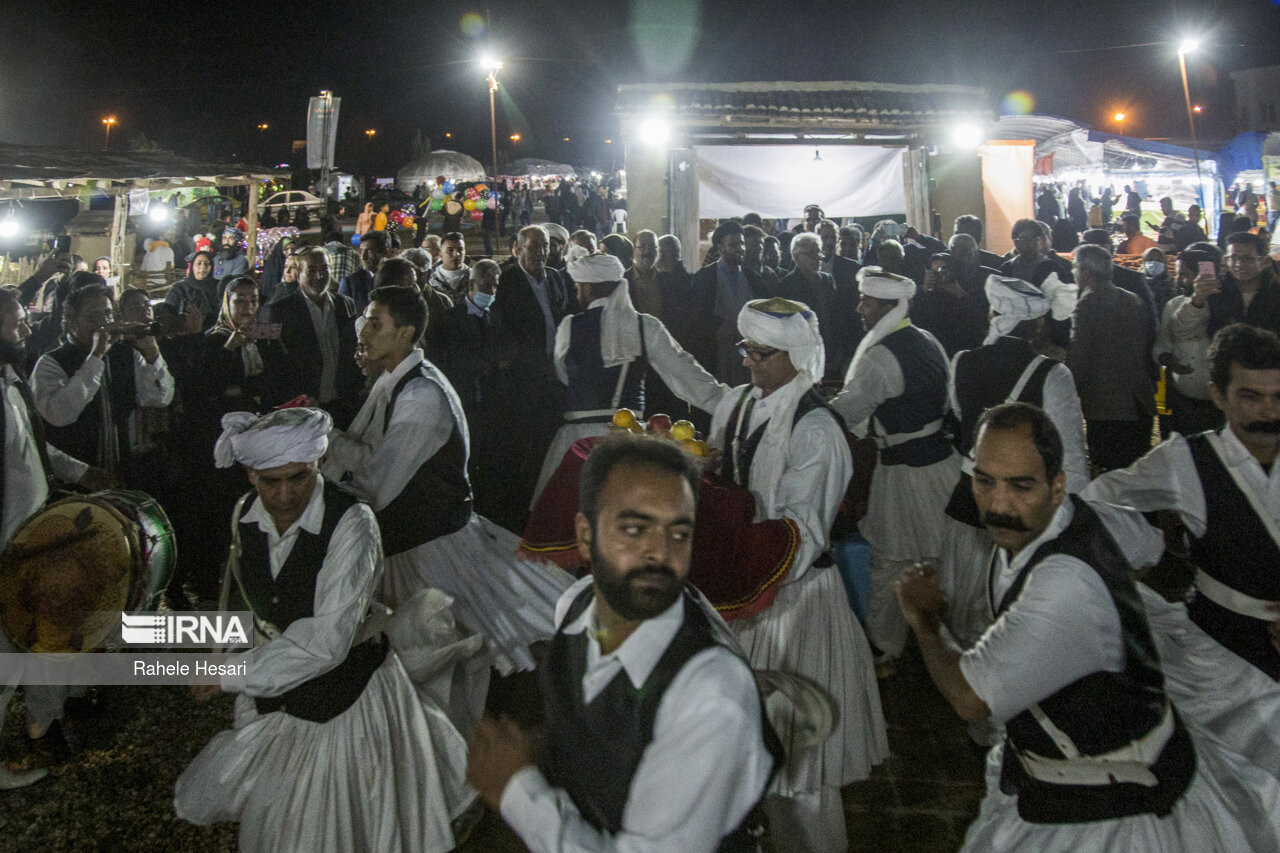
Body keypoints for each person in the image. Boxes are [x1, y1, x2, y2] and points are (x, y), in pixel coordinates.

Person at [898, 401, 1280, 851]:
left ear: (1057, 485)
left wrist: (924, 618)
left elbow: (970, 700)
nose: (999, 504)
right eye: (984, 481)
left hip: (1109, 813)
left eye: (1021, 486)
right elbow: (1147, 544)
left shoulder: (1063, 584)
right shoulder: (1074, 518)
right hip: (1082, 775)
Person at [174, 407, 474, 852]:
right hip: (281, 690)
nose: (283, 494)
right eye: (268, 481)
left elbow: (328, 641)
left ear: (318, 464)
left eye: (298, 477)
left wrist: (231, 676)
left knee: (338, 817)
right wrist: (225, 652)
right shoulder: (245, 514)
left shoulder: (352, 523)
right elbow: (246, 594)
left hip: (346, 696)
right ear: (250, 475)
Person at [467, 433, 779, 852]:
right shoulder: (575, 610)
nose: (659, 554)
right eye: (634, 529)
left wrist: (516, 790)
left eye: (679, 533)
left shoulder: (709, 693)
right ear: (584, 535)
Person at [322, 287, 573, 700]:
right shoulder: (391, 382)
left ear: (405, 334)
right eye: (364, 320)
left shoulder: (423, 395)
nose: (362, 332)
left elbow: (378, 486)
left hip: (428, 551)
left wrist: (324, 446)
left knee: (442, 664)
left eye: (374, 323)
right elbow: (367, 453)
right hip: (405, 543)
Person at [700, 297, 887, 851]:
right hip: (740, 597)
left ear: (798, 357)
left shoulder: (817, 432)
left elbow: (800, 537)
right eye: (746, 349)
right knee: (745, 763)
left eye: (763, 353)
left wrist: (724, 550)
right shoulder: (736, 404)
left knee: (802, 767)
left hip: (795, 605)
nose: (749, 363)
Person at [1085, 323, 1280, 679]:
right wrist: (1145, 547)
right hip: (1222, 645)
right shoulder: (1185, 461)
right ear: (1218, 396)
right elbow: (1099, 501)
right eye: (1250, 397)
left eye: (1278, 396)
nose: (1269, 412)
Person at [939, 275, 1087, 655]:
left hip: (968, 504)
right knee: (1015, 617)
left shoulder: (962, 362)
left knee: (965, 609)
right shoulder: (1053, 374)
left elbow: (960, 416)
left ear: (994, 314)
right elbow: (1070, 458)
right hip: (1024, 515)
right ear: (1037, 323)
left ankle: (970, 692)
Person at [0, 290, 111, 789]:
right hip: (8, 546)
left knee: (48, 639)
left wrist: (80, 472)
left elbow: (33, 449)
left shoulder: (10, 381)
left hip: (34, 534)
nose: (26, 330)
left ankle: (42, 727)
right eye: (17, 323)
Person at [829, 268, 960, 673]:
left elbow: (846, 411)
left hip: (908, 476)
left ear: (886, 306)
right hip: (942, 465)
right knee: (950, 558)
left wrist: (809, 406)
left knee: (889, 562)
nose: (860, 308)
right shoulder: (927, 340)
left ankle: (887, 645)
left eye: (866, 301)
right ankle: (956, 641)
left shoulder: (880, 358)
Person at [532, 248, 724, 504]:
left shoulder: (569, 325)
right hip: (629, 441)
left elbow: (564, 374)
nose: (577, 294)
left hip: (576, 442)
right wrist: (734, 402)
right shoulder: (645, 326)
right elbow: (688, 377)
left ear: (588, 288)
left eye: (578, 288)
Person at [32, 284, 174, 483]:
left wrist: (151, 353)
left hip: (124, 467)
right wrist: (96, 356)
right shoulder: (50, 362)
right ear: (71, 320)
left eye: (107, 314)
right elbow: (59, 414)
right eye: (93, 316)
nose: (103, 322)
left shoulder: (125, 354)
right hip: (75, 477)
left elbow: (158, 398)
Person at [493, 225, 578, 527]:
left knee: (552, 440)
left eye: (544, 246)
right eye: (532, 246)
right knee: (525, 443)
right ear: (517, 249)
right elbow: (504, 332)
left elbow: (567, 316)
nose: (540, 253)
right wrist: (535, 361)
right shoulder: (507, 282)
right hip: (525, 378)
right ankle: (521, 511)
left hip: (557, 376)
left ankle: (548, 503)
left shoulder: (556, 278)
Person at [1068, 244, 1157, 471]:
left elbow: (1079, 357)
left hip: (1106, 406)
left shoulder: (1086, 304)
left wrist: (1069, 393)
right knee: (1138, 469)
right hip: (1139, 399)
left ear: (1086, 272)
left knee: (1109, 473)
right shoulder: (1132, 299)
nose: (1073, 273)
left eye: (1075, 268)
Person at [264, 248, 362, 428]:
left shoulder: (345, 305)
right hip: (305, 408)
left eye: (324, 269)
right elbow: (275, 361)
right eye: (311, 270)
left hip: (343, 404)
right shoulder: (280, 310)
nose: (319, 276)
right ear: (299, 274)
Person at [1158, 243, 1225, 436]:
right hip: (1183, 399)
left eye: (1185, 274)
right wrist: (1168, 359)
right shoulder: (1174, 305)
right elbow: (1164, 343)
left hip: (1219, 404)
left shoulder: (1224, 303)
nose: (1178, 280)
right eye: (1177, 274)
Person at [689, 221, 767, 386]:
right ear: (720, 248)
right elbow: (697, 318)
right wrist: (721, 327)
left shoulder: (754, 279)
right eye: (733, 244)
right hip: (716, 352)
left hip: (749, 353)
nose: (740, 249)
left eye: (742, 244)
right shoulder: (704, 278)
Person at [771, 232, 849, 381]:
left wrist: (840, 349)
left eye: (819, 252)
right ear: (797, 256)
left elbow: (837, 315)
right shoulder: (786, 286)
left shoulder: (827, 280)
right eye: (811, 254)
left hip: (830, 349)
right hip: (803, 354)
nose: (818, 257)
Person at [338, 229, 394, 316]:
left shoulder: (397, 279)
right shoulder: (350, 282)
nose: (362, 256)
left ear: (384, 252)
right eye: (361, 250)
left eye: (369, 251)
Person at [163, 249, 219, 330]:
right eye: (199, 264)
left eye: (207, 264)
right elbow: (168, 314)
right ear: (192, 266)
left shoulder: (218, 287)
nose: (203, 267)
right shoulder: (179, 288)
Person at [427, 231, 471, 302]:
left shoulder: (476, 278)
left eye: (460, 250)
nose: (456, 254)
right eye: (450, 250)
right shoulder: (428, 279)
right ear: (440, 253)